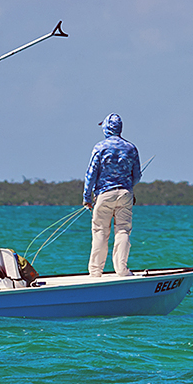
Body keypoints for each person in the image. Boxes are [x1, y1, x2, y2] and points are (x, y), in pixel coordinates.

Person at [82, 113, 141, 277]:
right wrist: (129, 187)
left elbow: (90, 175)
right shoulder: (131, 148)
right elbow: (137, 175)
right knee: (123, 230)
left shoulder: (99, 148)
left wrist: (87, 198)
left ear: (107, 128)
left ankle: (95, 272)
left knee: (100, 231)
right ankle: (122, 270)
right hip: (125, 193)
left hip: (104, 194)